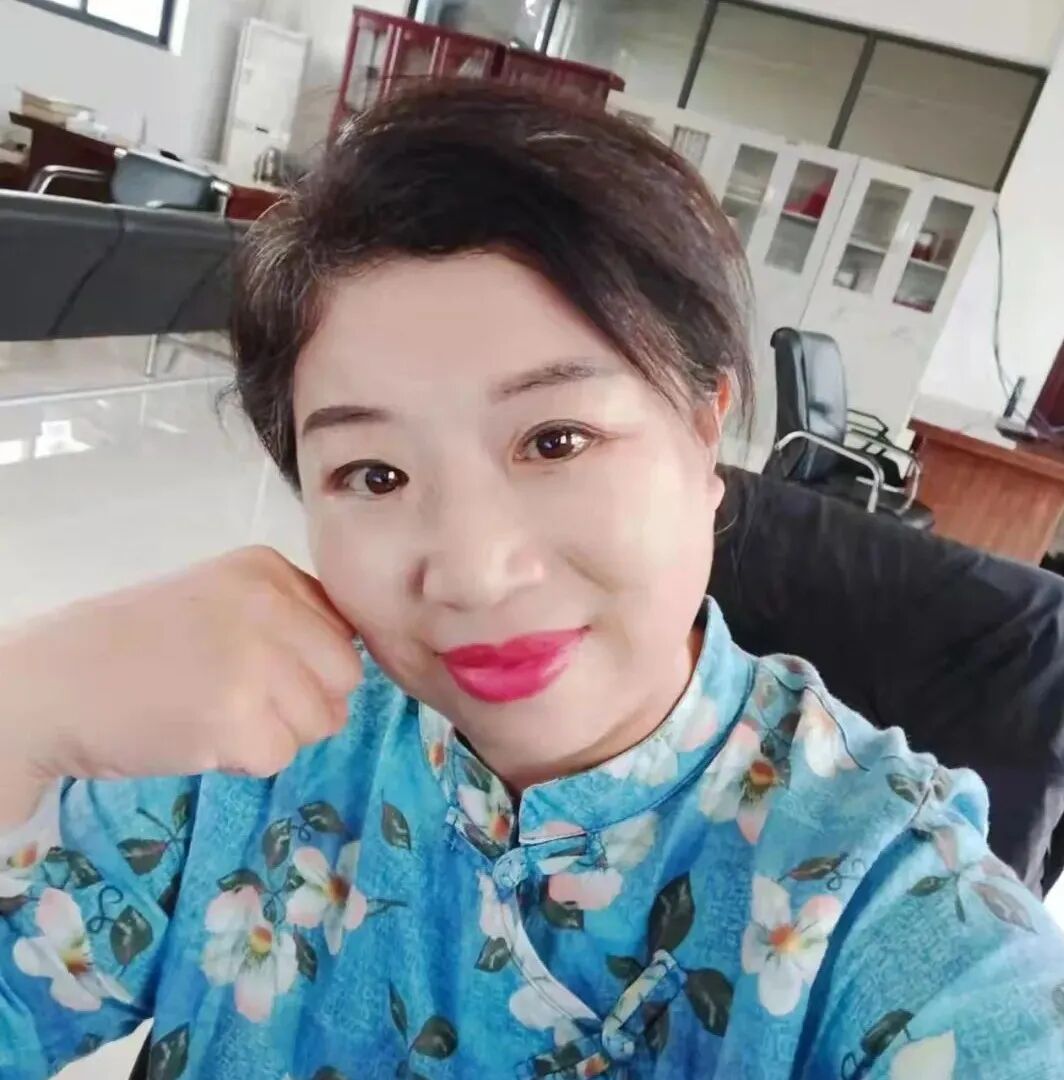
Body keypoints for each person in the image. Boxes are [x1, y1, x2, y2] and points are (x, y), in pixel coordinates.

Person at [0, 83, 1062, 1080]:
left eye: (554, 440)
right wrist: (24, 707)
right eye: (375, 474)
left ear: (705, 437)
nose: (471, 572)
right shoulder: (244, 747)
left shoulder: (883, 902)